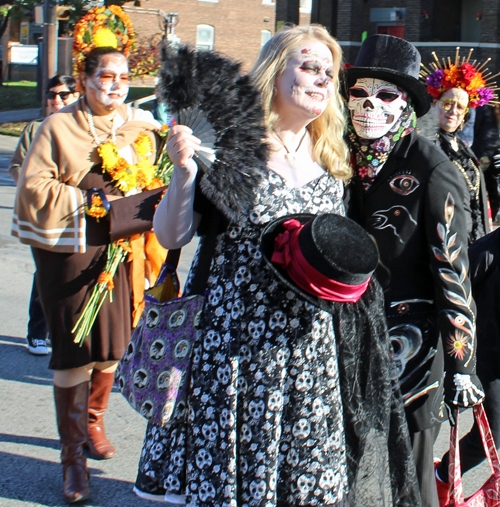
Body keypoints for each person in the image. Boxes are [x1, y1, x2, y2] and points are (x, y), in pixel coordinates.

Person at [134, 25, 419, 506]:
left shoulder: (332, 154)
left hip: (309, 349)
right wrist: (183, 175)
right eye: (308, 66)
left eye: (329, 72)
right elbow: (171, 235)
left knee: (307, 487)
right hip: (235, 348)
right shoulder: (228, 145)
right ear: (274, 71)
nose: (322, 79)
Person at [12, 46, 161, 503]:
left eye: (122, 76)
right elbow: (34, 186)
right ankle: (72, 456)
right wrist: (90, 201)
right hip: (69, 250)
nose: (115, 84)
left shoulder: (141, 126)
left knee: (112, 346)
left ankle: (94, 421)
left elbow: (151, 178)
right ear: (84, 80)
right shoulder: (59, 127)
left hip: (119, 249)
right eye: (105, 75)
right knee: (75, 351)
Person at [342, 34, 484, 507]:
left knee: (412, 471)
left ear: (405, 103)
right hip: (347, 332)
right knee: (345, 456)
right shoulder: (336, 157)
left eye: (385, 94)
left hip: (413, 339)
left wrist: (461, 361)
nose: (369, 105)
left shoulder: (432, 167)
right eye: (359, 92)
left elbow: (452, 269)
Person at [423, 52, 500, 505]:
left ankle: (442, 475)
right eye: (447, 104)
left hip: (474, 262)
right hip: (444, 261)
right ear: (434, 103)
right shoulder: (425, 147)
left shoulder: (468, 153)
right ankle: (435, 473)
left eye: (460, 106)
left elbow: (479, 208)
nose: (453, 112)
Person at [9, 74, 80, 355]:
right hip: (45, 212)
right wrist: (30, 186)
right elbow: (17, 165)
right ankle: (38, 333)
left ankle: (66, 331)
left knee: (76, 274)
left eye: (64, 95)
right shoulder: (35, 129)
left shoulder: (86, 129)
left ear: (76, 95)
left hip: (78, 211)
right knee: (46, 273)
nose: (57, 100)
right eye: (52, 95)